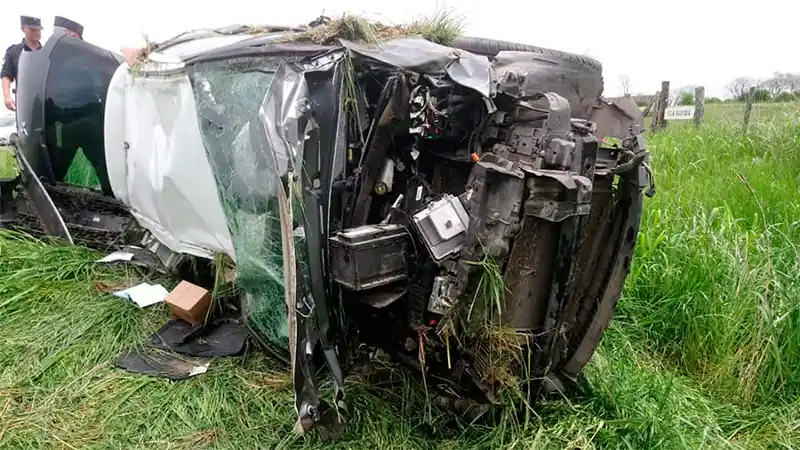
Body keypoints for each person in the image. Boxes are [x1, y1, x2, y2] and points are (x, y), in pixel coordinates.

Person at [1, 15, 43, 111]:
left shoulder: (46, 53)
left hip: (43, 101)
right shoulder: (14, 52)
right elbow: (6, 75)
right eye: (32, 30)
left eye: (38, 30)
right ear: (23, 29)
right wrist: (7, 96)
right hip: (24, 102)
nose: (37, 32)